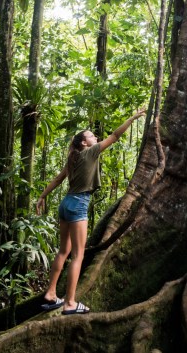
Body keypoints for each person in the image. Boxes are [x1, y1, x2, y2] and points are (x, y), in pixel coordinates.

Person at [35, 108, 146, 315]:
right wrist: (133, 116)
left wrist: (42, 196)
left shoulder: (73, 158)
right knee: (78, 255)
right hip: (78, 204)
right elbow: (115, 135)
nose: (95, 137)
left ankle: (51, 294)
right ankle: (69, 303)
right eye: (91, 136)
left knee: (63, 251)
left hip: (66, 203)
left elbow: (58, 180)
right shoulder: (90, 152)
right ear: (84, 143)